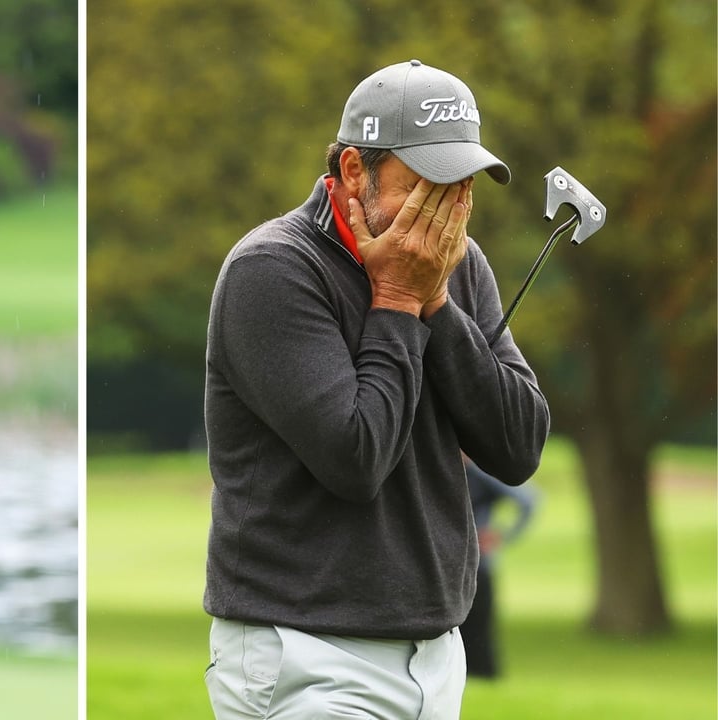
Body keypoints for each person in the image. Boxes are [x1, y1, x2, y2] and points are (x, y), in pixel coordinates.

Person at [202, 59, 550, 720]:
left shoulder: (454, 263)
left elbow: (519, 446)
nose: (449, 209)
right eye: (428, 182)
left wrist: (439, 304)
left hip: (436, 656)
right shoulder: (272, 270)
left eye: (462, 184)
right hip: (308, 651)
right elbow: (354, 458)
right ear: (355, 171)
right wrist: (397, 299)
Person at [461, 456, 538, 679]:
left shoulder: (480, 473)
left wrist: (502, 536)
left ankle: (484, 676)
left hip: (478, 566)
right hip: (446, 568)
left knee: (478, 633)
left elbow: (529, 501)